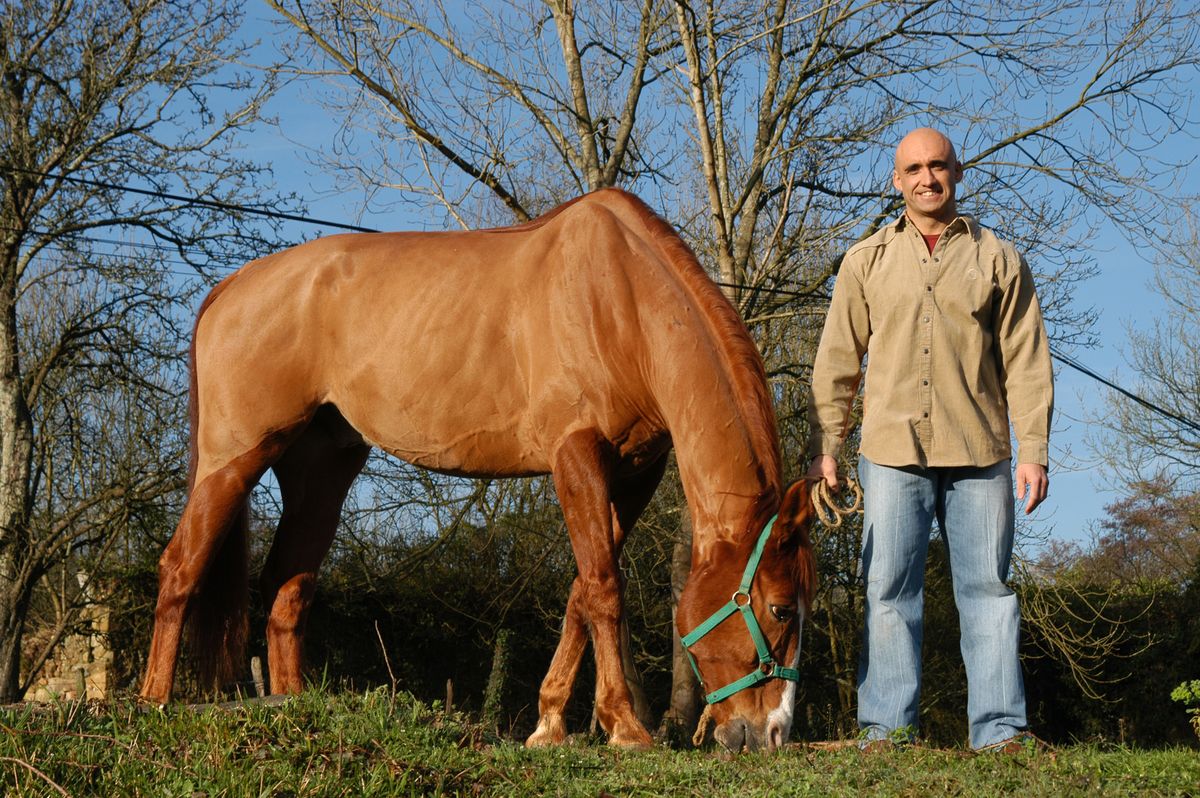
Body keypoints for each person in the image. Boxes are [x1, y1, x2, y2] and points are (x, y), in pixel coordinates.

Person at [806, 127, 1053, 751]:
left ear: (957, 171)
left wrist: (1035, 452)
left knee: (990, 592)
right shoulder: (865, 261)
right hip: (890, 453)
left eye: (937, 166)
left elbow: (1026, 360)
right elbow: (836, 360)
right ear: (897, 180)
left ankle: (1001, 734)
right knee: (887, 588)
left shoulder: (998, 259)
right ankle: (887, 732)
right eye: (913, 168)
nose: (927, 178)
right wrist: (826, 446)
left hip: (981, 453)